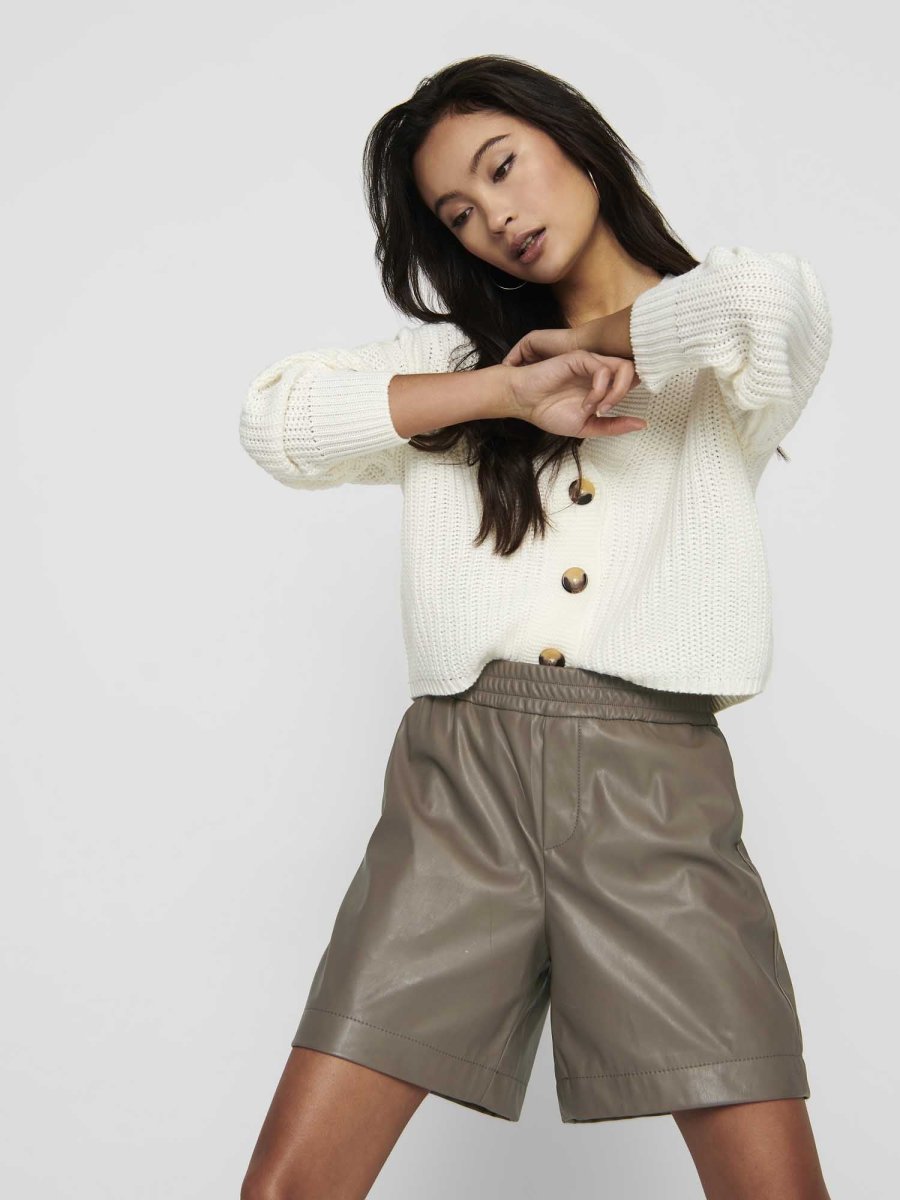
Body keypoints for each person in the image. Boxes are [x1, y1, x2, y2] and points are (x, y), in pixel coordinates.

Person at [237, 54, 833, 1200]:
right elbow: (276, 423)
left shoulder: (717, 365)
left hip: (656, 793)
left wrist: (600, 339)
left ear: (578, 144)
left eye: (502, 167)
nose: (495, 216)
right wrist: (507, 391)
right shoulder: (453, 369)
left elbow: (770, 301)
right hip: (459, 792)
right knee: (290, 1188)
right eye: (459, 213)